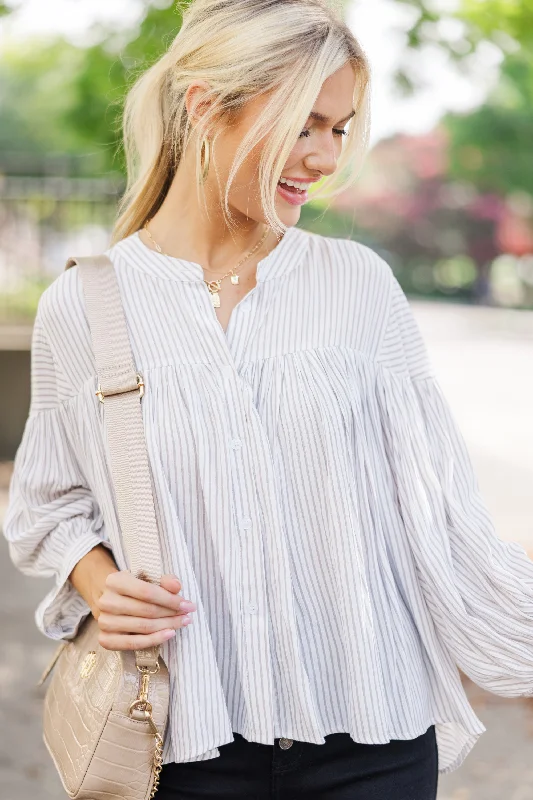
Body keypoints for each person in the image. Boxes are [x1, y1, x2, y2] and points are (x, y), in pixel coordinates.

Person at [4, 0, 533, 798]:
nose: (324, 157)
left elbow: (442, 516)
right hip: (185, 742)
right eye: (303, 125)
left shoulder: (356, 287)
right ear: (205, 106)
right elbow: (48, 503)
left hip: (374, 734)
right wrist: (98, 582)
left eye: (340, 128)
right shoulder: (86, 307)